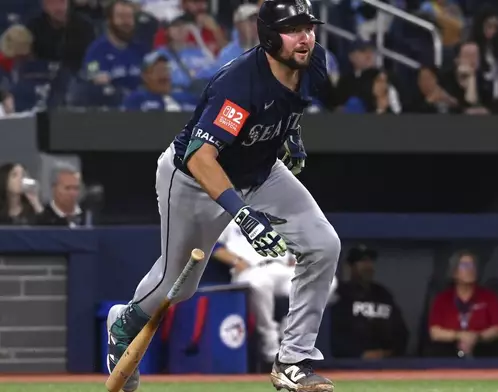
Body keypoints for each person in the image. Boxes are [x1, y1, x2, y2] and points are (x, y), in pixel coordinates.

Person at [104, 1, 339, 392]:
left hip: (260, 168)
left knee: (324, 245)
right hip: (194, 178)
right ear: (267, 36)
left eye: (308, 27)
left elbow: (290, 105)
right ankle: (124, 323)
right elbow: (201, 156)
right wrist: (242, 215)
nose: (305, 37)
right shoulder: (240, 82)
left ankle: (294, 359)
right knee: (177, 285)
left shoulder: (314, 61)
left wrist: (291, 135)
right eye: (293, 28)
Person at [213, 221, 338, 367]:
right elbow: (214, 246)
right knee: (260, 282)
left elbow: (298, 245)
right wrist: (236, 261)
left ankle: (290, 330)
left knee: (326, 282)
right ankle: (270, 347)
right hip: (250, 269)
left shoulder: (277, 212)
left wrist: (296, 259)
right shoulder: (229, 214)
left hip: (281, 267)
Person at [330, 245, 408, 359]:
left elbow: (401, 331)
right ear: (350, 266)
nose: (368, 266)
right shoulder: (341, 294)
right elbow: (333, 334)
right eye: (362, 261)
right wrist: (358, 354)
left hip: (386, 362)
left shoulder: (383, 294)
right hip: (349, 363)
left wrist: (388, 353)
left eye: (370, 261)